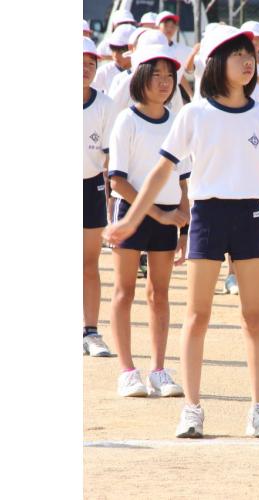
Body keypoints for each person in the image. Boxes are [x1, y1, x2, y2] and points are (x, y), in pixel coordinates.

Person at [103, 26, 259, 438]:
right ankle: (191, 409)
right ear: (215, 63)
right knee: (197, 316)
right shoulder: (194, 113)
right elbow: (162, 170)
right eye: (237, 55)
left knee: (254, 317)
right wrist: (130, 219)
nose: (248, 61)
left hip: (250, 215)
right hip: (207, 217)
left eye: (250, 54)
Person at [107, 44, 190, 398]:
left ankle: (158, 369)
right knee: (124, 291)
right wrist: (155, 213)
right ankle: (127, 371)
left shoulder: (178, 121)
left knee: (159, 292)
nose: (164, 82)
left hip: (168, 219)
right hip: (131, 213)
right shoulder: (126, 120)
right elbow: (117, 181)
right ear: (140, 77)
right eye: (156, 74)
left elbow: (182, 179)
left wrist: (183, 226)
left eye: (169, 75)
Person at [83, 37, 114, 357]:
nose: (85, 69)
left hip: (90, 187)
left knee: (89, 263)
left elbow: (109, 157)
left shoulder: (105, 105)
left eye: (90, 64)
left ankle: (90, 331)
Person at [93, 24, 136, 94]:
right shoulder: (104, 71)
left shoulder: (143, 72)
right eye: (113, 50)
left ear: (133, 49)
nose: (115, 55)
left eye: (120, 51)